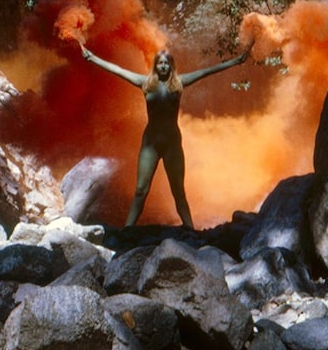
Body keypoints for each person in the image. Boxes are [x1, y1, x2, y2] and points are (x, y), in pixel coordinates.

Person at [81, 42, 250, 228]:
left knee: (179, 192)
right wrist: (92, 58)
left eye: (166, 63)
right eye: (160, 63)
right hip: (150, 143)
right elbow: (118, 70)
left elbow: (207, 71)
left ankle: (190, 229)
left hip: (172, 143)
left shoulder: (179, 83)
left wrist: (235, 61)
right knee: (140, 189)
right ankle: (127, 229)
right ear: (155, 66)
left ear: (171, 66)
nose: (162, 66)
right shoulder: (145, 83)